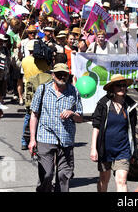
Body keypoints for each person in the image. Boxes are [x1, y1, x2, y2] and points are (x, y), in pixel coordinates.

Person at [29, 63, 83, 192]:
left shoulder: (74, 92)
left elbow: (80, 117)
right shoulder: (43, 90)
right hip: (45, 137)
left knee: (63, 176)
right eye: (58, 74)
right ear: (53, 75)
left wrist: (72, 114)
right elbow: (34, 115)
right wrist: (32, 139)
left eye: (64, 74)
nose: (62, 77)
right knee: (46, 174)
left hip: (66, 139)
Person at [91, 74, 137, 192]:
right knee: (104, 180)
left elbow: (132, 129)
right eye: (118, 85)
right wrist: (93, 148)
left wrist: (134, 150)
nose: (122, 88)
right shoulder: (103, 104)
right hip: (105, 149)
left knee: (121, 181)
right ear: (112, 88)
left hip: (123, 149)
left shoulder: (130, 105)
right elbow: (96, 126)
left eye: (124, 85)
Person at [20, 39, 51, 150]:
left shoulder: (25, 60)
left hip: (29, 89)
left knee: (29, 115)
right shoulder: (45, 62)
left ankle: (24, 140)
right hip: (43, 89)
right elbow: (48, 72)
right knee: (40, 115)